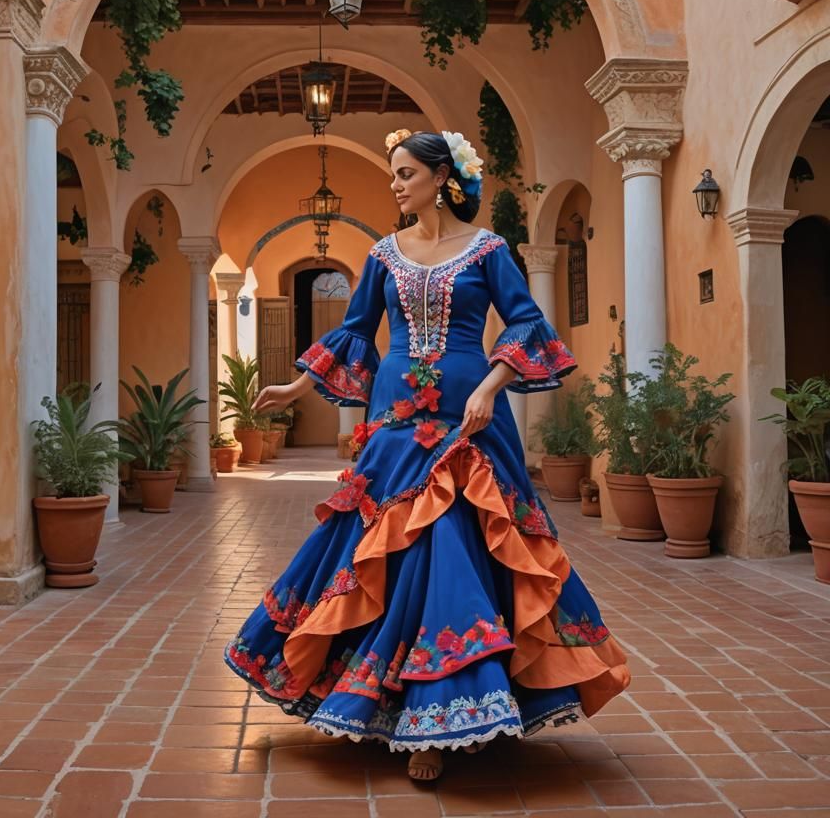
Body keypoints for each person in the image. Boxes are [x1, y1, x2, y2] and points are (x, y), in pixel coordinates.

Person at [223, 129, 630, 781]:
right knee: (391, 548)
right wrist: (298, 383)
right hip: (396, 422)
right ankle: (408, 712)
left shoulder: (489, 249)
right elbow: (357, 329)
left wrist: (495, 387)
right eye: (393, 175)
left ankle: (448, 720)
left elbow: (525, 322)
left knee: (461, 545)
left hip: (471, 416)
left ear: (443, 177)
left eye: (407, 173)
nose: (397, 184)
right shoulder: (384, 254)